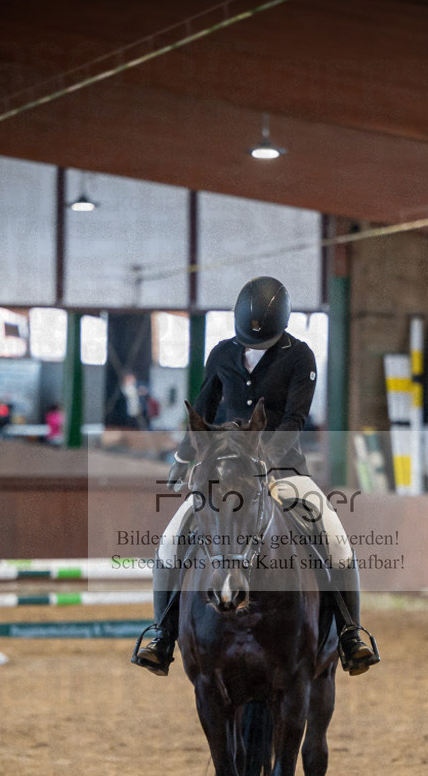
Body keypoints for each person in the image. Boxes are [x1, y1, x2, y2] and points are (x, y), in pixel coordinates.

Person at [133, 276, 380, 677]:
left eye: (261, 344)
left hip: (282, 470)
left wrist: (262, 461)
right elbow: (203, 407)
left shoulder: (300, 358)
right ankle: (161, 634)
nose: (253, 349)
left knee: (335, 539)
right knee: (170, 540)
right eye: (249, 341)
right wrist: (183, 455)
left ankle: (351, 634)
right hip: (224, 471)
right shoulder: (222, 354)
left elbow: (295, 419)